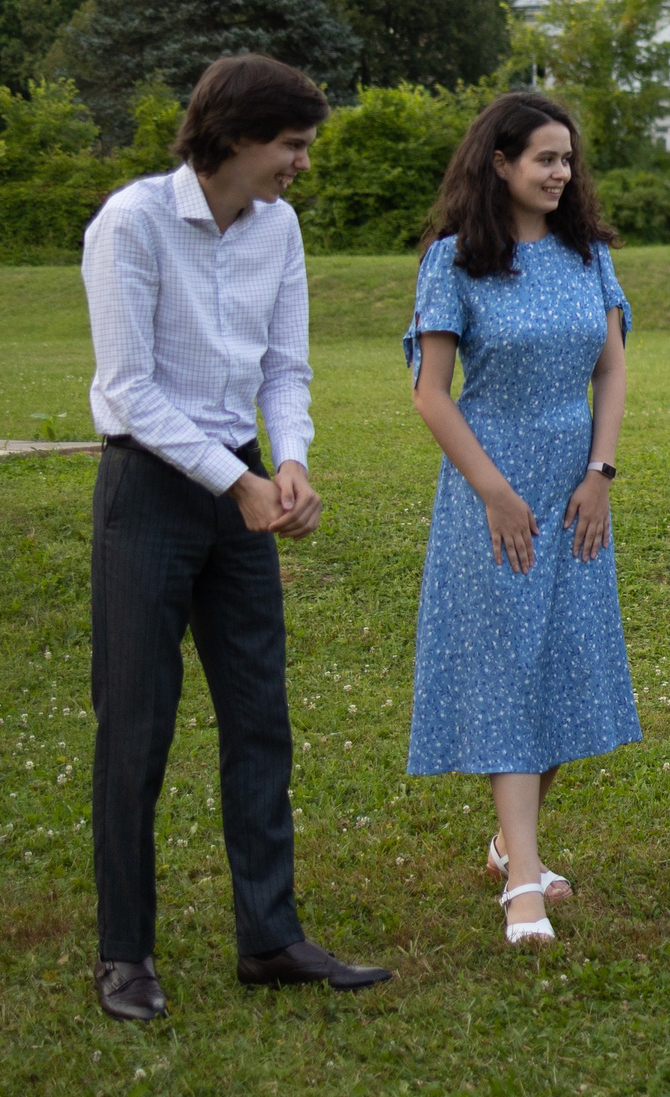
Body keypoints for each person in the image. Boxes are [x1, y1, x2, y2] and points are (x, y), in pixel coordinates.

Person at [81, 55, 392, 1022]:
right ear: (235, 138)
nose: (302, 165)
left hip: (246, 480)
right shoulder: (130, 223)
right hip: (149, 488)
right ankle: (124, 954)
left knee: (260, 718)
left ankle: (270, 936)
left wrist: (287, 462)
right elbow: (130, 388)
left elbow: (286, 364)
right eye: (292, 145)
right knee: (136, 729)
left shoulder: (280, 228)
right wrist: (239, 482)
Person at [403, 92, 639, 948]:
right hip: (489, 489)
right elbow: (430, 392)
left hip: (577, 488)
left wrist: (600, 472)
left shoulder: (588, 257)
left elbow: (610, 371)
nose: (560, 172)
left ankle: (511, 840)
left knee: (567, 667)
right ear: (498, 162)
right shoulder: (454, 262)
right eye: (544, 157)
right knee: (509, 673)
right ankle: (524, 887)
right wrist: (493, 489)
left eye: (567, 159)